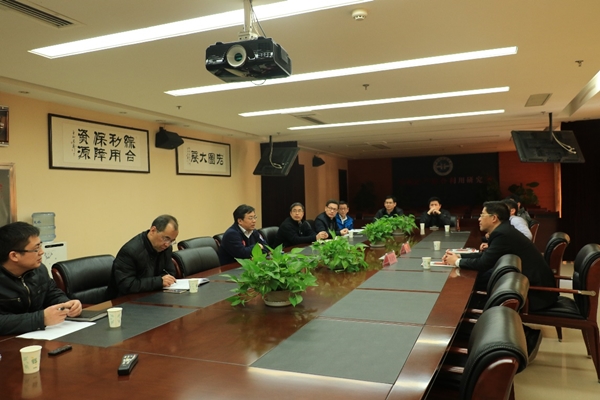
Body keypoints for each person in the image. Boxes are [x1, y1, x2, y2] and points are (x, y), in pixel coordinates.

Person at [442, 201, 557, 311]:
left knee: (472, 280)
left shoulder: (502, 234)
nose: (479, 219)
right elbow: (486, 256)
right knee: (477, 279)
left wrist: (457, 262)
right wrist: (459, 256)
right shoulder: (504, 230)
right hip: (525, 284)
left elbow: (483, 263)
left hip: (534, 293)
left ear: (494, 218)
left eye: (482, 215)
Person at [0, 222, 82, 335]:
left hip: (38, 336)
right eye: (36, 249)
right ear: (14, 256)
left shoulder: (39, 270)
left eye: (40, 246)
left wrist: (67, 304)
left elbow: (52, 293)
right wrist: (40, 319)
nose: (41, 252)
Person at [107, 215, 178, 298]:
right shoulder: (130, 251)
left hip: (152, 295)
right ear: (153, 230)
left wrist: (164, 280)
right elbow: (127, 285)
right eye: (166, 238)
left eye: (171, 241)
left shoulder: (166, 248)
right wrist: (158, 281)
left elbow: (170, 272)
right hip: (124, 301)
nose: (167, 244)